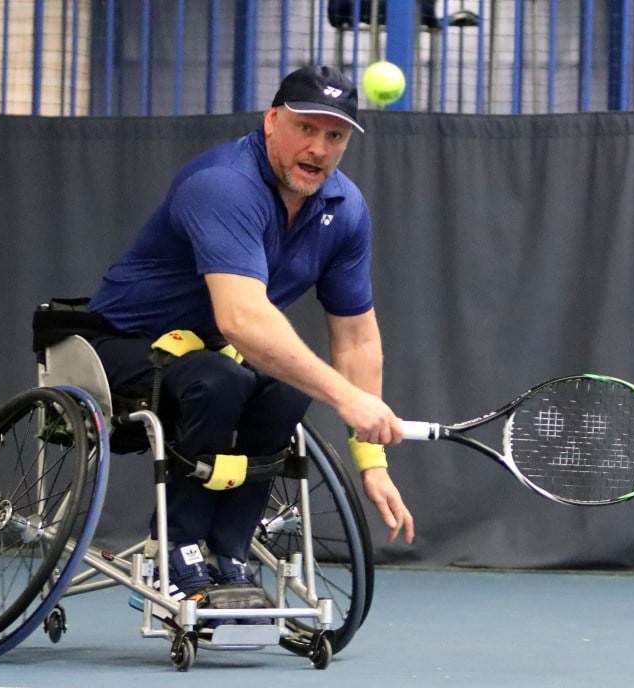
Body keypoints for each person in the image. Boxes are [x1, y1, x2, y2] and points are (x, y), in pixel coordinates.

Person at [87, 65, 414, 621]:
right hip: (121, 344)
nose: (318, 148)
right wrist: (347, 399)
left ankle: (231, 553)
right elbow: (241, 318)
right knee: (222, 378)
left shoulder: (345, 209)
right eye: (305, 129)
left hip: (214, 357)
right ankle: (179, 546)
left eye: (333, 136)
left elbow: (357, 337)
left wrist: (372, 459)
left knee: (284, 394)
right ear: (271, 122)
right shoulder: (223, 185)